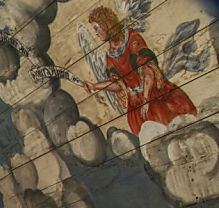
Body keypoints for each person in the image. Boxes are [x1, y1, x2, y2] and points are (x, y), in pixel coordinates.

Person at [82, 6, 196, 137]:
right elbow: (119, 85)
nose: (96, 33)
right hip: (136, 106)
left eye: (97, 28)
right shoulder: (110, 56)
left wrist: (146, 99)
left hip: (153, 96)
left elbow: (148, 70)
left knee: (178, 132)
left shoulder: (132, 39)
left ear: (106, 24)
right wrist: (95, 86)